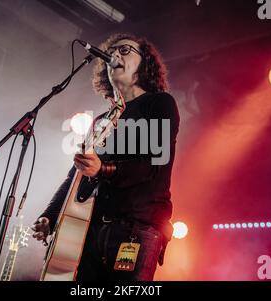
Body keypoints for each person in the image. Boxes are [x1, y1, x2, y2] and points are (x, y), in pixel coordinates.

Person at [32, 33, 180, 281]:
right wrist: (50, 214)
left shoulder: (159, 103)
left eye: (125, 50)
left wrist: (103, 169)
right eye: (113, 51)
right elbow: (76, 175)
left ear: (145, 64)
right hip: (89, 231)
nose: (116, 54)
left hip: (136, 228)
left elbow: (154, 164)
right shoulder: (102, 121)